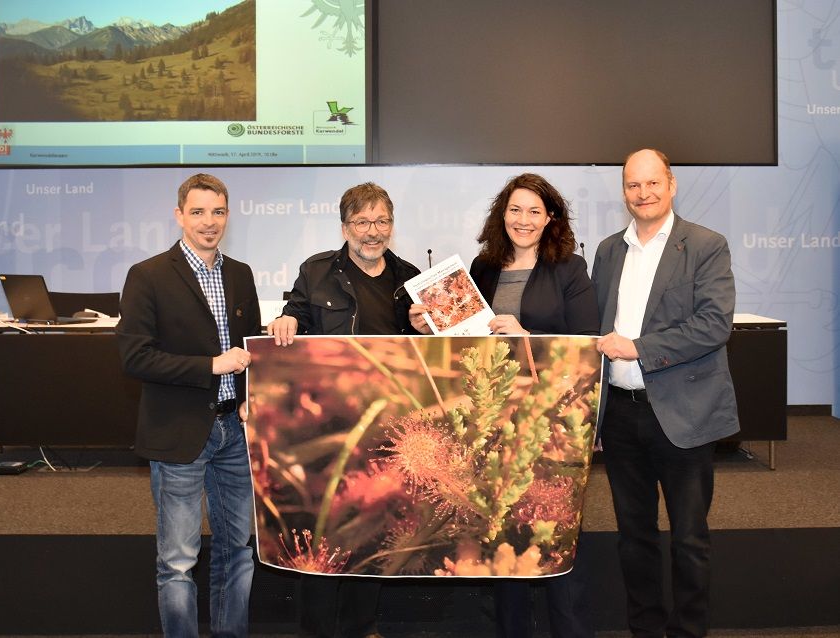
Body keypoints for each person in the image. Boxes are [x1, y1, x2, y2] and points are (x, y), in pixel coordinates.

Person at [591, 148, 740, 638]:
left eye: (652, 183)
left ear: (671, 184)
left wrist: (639, 347)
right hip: (620, 418)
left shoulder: (705, 245)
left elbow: (714, 326)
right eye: (633, 185)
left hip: (684, 415)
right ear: (624, 191)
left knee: (690, 540)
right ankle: (646, 630)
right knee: (634, 539)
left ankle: (689, 632)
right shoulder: (609, 250)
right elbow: (592, 328)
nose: (643, 193)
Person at [268, 182, 425, 638]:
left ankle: (362, 625)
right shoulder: (316, 272)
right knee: (322, 532)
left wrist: (425, 328)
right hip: (329, 424)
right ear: (345, 227)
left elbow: (431, 350)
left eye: (381, 222)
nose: (372, 232)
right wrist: (287, 319)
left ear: (392, 226)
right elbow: (293, 311)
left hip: (387, 424)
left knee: (372, 528)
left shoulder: (411, 278)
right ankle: (317, 629)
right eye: (362, 223)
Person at [117, 173, 261, 637]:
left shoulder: (240, 274)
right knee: (178, 562)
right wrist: (212, 366)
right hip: (178, 434)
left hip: (233, 433)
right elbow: (135, 357)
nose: (209, 222)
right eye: (197, 212)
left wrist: (246, 397)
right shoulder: (148, 275)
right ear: (179, 215)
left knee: (238, 550)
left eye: (217, 211)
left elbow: (250, 350)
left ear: (228, 215)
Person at [461, 173, 599, 638]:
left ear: (551, 218)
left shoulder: (569, 270)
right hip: (495, 417)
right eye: (515, 210)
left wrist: (527, 337)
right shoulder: (482, 268)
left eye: (534, 211)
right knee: (503, 533)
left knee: (553, 532)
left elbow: (585, 344)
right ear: (503, 215)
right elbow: (465, 338)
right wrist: (427, 323)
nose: (524, 220)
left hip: (553, 420)